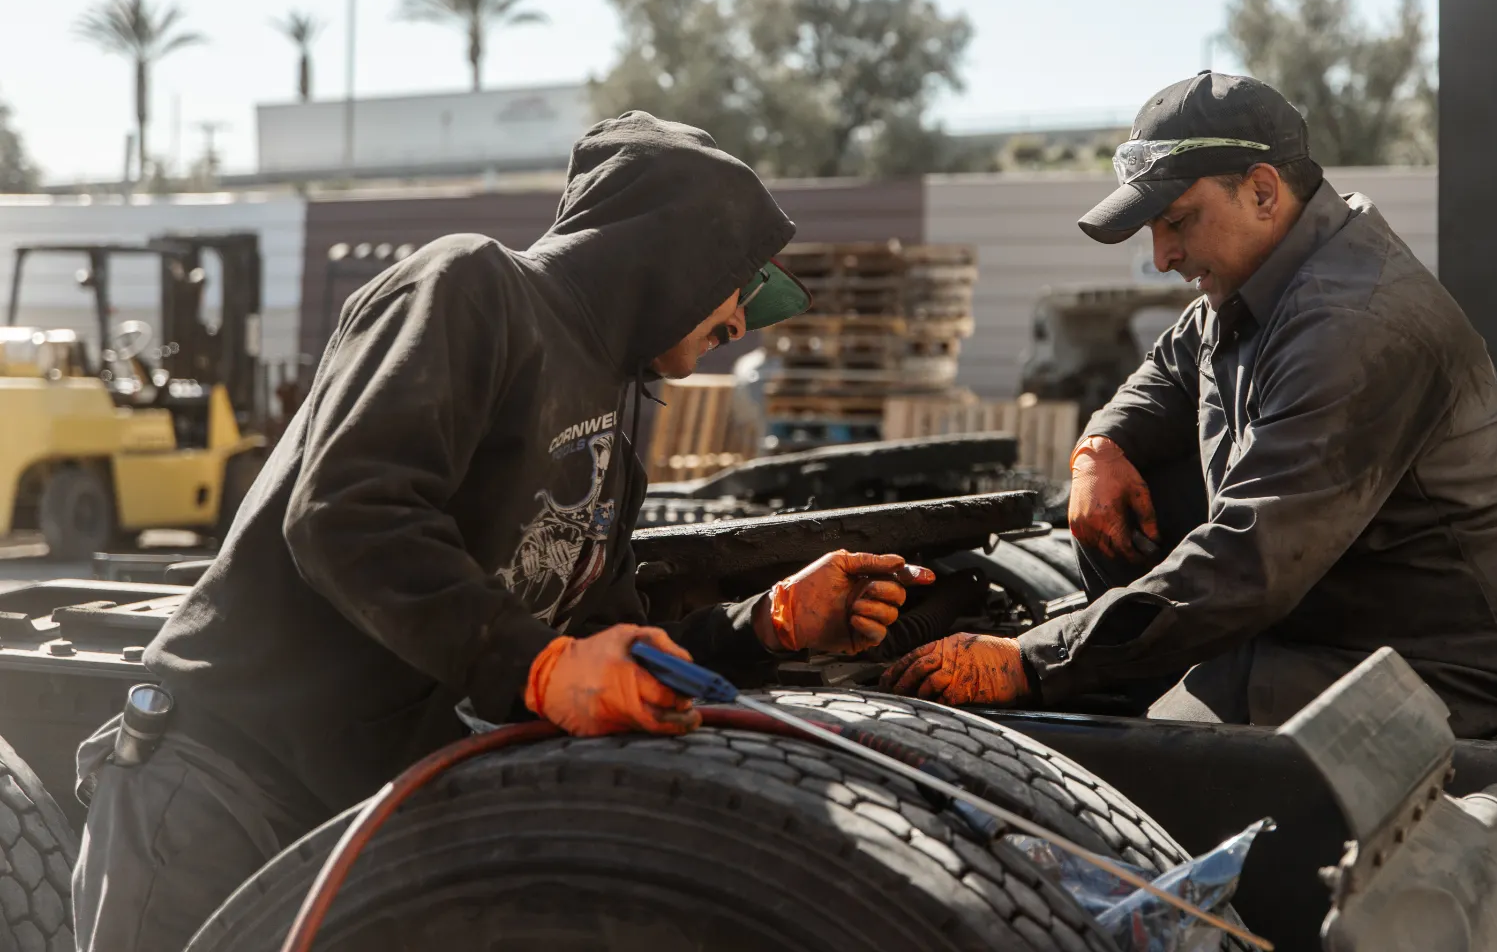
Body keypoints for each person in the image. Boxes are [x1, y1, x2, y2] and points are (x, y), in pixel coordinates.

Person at [72, 112, 933, 952]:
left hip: (353, 821)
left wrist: (770, 622)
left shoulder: (614, 445)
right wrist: (536, 667)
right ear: (673, 250)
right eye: (740, 285)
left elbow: (601, 648)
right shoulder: (470, 286)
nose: (743, 322)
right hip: (223, 785)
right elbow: (346, 515)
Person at [883, 72, 1497, 739]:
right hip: (1339, 623)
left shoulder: (1353, 325)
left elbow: (1251, 562)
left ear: (1262, 191)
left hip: (1456, 670)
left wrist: (1033, 662)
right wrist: (1104, 444)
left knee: (1144, 771)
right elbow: (1174, 362)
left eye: (1178, 221)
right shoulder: (1266, 279)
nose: (1162, 256)